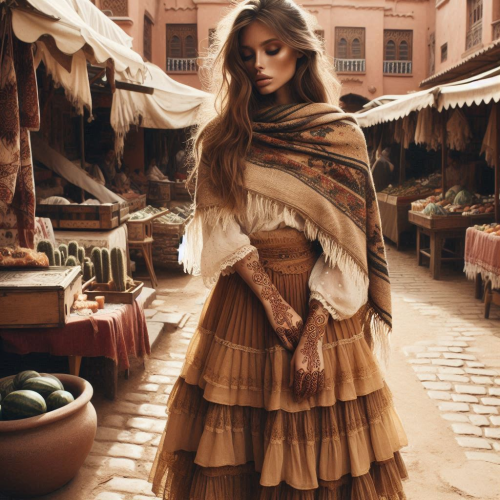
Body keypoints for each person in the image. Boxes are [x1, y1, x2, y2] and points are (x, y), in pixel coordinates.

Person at [149, 1, 408, 498]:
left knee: (319, 459)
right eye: (247, 54)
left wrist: (310, 334)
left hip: (322, 311)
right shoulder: (223, 136)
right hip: (243, 304)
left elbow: (347, 247)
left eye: (273, 49)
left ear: (300, 51)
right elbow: (220, 228)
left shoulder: (339, 135)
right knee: (235, 457)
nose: (259, 65)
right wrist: (273, 304)